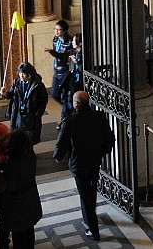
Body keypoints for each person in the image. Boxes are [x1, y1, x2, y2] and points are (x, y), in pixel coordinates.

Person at [53, 90, 115, 241]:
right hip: (94, 161)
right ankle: (90, 217)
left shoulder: (70, 121)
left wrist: (58, 156)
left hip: (78, 164)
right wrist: (102, 151)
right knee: (91, 190)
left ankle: (93, 230)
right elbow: (110, 138)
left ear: (76, 103)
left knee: (85, 194)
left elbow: (62, 142)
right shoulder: (98, 117)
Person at [0, 130, 42, 249]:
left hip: (17, 204)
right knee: (29, 232)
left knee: (19, 236)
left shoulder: (13, 161)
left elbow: (11, 184)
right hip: (31, 199)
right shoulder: (30, 155)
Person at [0, 63, 48, 145]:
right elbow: (11, 95)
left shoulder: (38, 85)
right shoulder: (16, 82)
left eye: (24, 73)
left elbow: (43, 100)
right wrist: (5, 93)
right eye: (20, 73)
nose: (21, 76)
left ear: (29, 74)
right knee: (17, 135)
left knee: (30, 137)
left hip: (31, 114)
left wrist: (38, 113)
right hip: (18, 113)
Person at [42, 19, 73, 122]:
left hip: (65, 71)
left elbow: (63, 56)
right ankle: (69, 108)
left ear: (64, 31)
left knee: (64, 95)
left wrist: (52, 52)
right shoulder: (55, 39)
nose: (56, 32)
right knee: (54, 93)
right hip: (57, 69)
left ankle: (65, 117)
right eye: (55, 29)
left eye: (58, 30)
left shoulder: (69, 41)